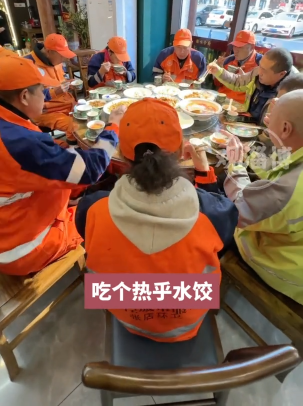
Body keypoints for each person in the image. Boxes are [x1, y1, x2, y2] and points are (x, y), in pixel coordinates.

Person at [76, 98, 238, 342]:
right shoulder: (211, 213)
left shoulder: (92, 207)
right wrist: (204, 173)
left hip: (123, 314)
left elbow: (86, 236)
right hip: (187, 322)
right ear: (180, 149)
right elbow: (223, 238)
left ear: (121, 154)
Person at [0, 55, 125, 276]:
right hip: (23, 246)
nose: (45, 97)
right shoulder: (19, 143)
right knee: (107, 208)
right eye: (42, 91)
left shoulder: (10, 123)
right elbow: (89, 170)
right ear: (25, 96)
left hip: (16, 221)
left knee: (88, 184)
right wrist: (113, 128)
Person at [223, 90, 303, 305]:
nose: (267, 126)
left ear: (285, 128)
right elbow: (282, 167)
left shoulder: (290, 189)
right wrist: (250, 154)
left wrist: (235, 165)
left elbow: (238, 210)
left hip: (288, 271)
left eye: (271, 121)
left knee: (219, 221)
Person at [208, 48, 294, 124]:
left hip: (265, 134)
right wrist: (218, 71)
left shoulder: (290, 97)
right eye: (260, 66)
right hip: (248, 121)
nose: (259, 72)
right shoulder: (258, 71)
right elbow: (238, 82)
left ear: (281, 74)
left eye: (264, 71)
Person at [25, 33, 77, 143]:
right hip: (46, 112)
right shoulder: (27, 64)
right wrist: (54, 92)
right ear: (49, 51)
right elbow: (27, 98)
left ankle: (73, 141)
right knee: (75, 125)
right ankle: (72, 148)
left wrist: (68, 83)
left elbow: (59, 81)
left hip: (66, 103)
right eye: (61, 55)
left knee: (89, 114)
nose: (63, 58)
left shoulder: (55, 61)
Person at [214, 30, 262, 104]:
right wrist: (219, 68)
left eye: (240, 47)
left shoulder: (260, 64)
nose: (236, 51)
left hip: (240, 106)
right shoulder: (228, 60)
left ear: (252, 47)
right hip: (222, 100)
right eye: (235, 46)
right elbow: (217, 85)